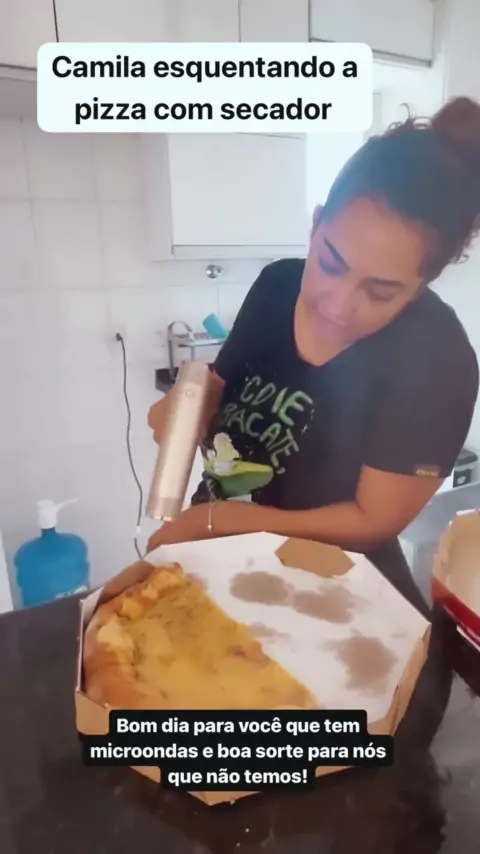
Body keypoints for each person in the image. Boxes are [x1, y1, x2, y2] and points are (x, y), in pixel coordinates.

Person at [147, 97, 480, 615]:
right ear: (316, 225)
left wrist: (227, 521)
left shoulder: (435, 357)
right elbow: (222, 400)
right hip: (221, 565)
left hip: (339, 602)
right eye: (330, 262)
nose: (337, 306)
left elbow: (374, 521)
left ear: (422, 284)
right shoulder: (277, 286)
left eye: (380, 291)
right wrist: (185, 413)